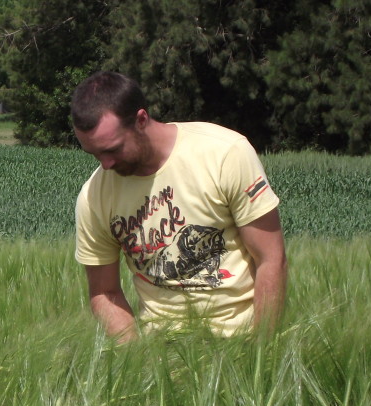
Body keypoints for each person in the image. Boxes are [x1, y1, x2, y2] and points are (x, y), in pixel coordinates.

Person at [72, 71, 287, 341]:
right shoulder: (94, 197)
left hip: (241, 341)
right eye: (94, 154)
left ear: (141, 120)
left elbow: (270, 258)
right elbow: (105, 292)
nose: (105, 164)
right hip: (161, 352)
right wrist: (137, 360)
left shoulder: (225, 154)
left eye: (113, 149)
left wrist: (261, 354)